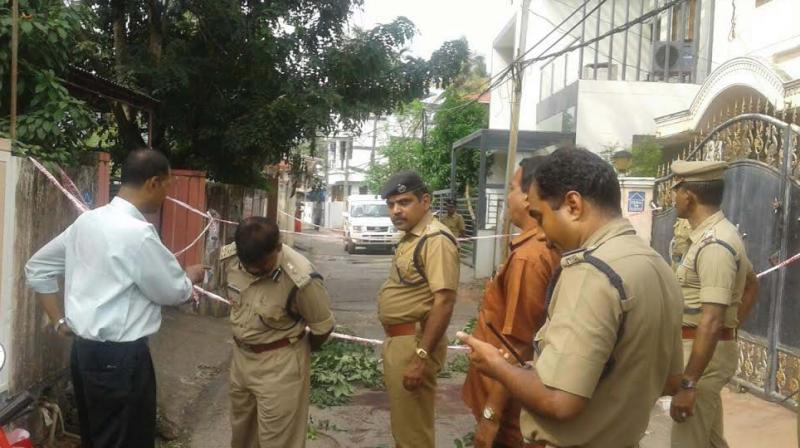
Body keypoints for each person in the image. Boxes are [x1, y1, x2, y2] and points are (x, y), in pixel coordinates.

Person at [458, 146, 684, 448]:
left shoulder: (591, 272)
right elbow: (668, 380)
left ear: (573, 205)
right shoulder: (656, 264)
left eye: (540, 216)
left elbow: (559, 400)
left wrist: (497, 366)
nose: (541, 231)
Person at [24, 149, 206, 448]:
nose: (166, 196)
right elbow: (174, 292)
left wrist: (58, 320)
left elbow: (38, 268)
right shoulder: (139, 234)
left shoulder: (87, 223)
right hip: (122, 361)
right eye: (167, 187)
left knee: (97, 438)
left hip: (84, 354)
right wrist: (191, 276)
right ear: (153, 183)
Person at [461, 157, 559, 448]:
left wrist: (492, 415)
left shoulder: (530, 256)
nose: (508, 197)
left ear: (530, 196)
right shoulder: (535, 247)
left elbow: (518, 344)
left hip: (511, 406)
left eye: (513, 188)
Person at [220, 217, 335, 448]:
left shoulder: (301, 279)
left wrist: (294, 352)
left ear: (278, 247)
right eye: (249, 265)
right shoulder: (230, 257)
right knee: (242, 435)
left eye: (263, 265)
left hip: (281, 365)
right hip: (241, 360)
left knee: (279, 440)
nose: (256, 271)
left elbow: (323, 327)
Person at [668, 160, 758, 448]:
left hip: (702, 357)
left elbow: (711, 319)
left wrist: (689, 383)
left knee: (688, 441)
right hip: (706, 351)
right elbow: (752, 283)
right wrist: (727, 331)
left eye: (675, 190)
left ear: (689, 196)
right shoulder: (710, 236)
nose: (673, 198)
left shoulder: (715, 245)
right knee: (710, 440)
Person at [378, 171, 460, 448]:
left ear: (425, 201)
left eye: (404, 202)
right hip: (401, 342)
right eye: (391, 205)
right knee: (405, 429)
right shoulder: (411, 236)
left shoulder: (435, 238)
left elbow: (445, 301)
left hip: (415, 344)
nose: (396, 210)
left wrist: (420, 357)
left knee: (413, 436)